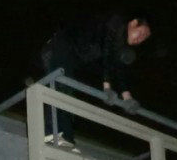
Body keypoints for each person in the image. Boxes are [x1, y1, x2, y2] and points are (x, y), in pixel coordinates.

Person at [40, 11, 152, 149]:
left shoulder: (119, 44)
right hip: (59, 46)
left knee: (69, 92)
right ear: (133, 23)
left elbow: (117, 68)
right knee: (62, 87)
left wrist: (127, 98)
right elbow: (106, 53)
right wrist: (107, 87)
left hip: (70, 57)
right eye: (141, 33)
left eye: (144, 38)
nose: (140, 39)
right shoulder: (116, 23)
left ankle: (65, 137)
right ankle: (51, 132)